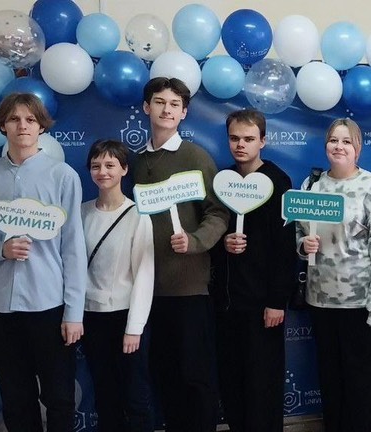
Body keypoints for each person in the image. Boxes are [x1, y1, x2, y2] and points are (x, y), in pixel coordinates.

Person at [0, 93, 87, 431]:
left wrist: (74, 313)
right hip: (2, 308)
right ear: (3, 125)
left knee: (59, 396)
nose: (23, 126)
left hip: (49, 306)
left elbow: (74, 248)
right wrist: (0, 250)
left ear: (41, 126)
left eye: (30, 119)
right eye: (14, 119)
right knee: (16, 398)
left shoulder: (62, 176)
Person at [132, 77, 230, 431]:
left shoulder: (195, 157)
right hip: (146, 290)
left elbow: (218, 212)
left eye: (175, 104)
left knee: (195, 377)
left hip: (189, 288)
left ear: (184, 113)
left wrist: (196, 240)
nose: (167, 109)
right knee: (163, 374)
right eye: (160, 102)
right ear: (147, 107)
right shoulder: (135, 162)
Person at [297, 118, 371, 432]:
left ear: (357, 148)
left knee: (363, 388)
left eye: (346, 141)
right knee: (332, 384)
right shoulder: (312, 184)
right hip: (321, 302)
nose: (339, 147)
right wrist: (303, 245)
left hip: (361, 305)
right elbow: (299, 235)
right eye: (333, 140)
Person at [210, 109, 297, 432]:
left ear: (263, 140)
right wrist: (223, 243)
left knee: (263, 383)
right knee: (232, 381)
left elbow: (285, 246)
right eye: (234, 138)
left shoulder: (278, 181)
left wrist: (276, 301)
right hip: (228, 303)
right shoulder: (223, 180)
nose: (240, 145)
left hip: (263, 305)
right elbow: (212, 230)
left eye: (248, 139)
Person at [81, 139, 155, 432]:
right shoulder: (81, 213)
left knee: (135, 395)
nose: (103, 172)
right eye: (96, 166)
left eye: (110, 165)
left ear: (124, 169)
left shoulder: (139, 214)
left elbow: (144, 275)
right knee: (104, 393)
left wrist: (134, 328)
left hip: (126, 317)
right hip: (90, 317)